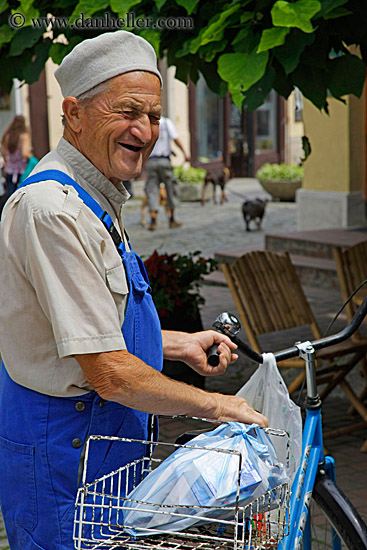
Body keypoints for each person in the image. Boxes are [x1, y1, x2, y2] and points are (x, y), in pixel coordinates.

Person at [0, 31, 267, 550]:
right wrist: (217, 408)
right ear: (73, 114)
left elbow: (84, 326)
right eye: (126, 112)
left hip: (102, 453)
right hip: (63, 461)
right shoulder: (52, 209)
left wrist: (175, 343)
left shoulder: (97, 194)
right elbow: (108, 372)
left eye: (152, 115)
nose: (144, 131)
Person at [145, 115, 189, 230]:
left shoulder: (146, 123)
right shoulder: (165, 122)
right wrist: (184, 153)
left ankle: (153, 221)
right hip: (164, 161)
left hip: (151, 161)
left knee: (152, 190)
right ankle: (172, 219)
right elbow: (175, 138)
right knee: (171, 188)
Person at [1, 114, 31, 198]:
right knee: (22, 197)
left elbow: (3, 153)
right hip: (21, 170)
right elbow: (25, 153)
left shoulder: (7, 136)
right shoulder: (24, 136)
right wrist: (32, 158)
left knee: (10, 197)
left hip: (9, 170)